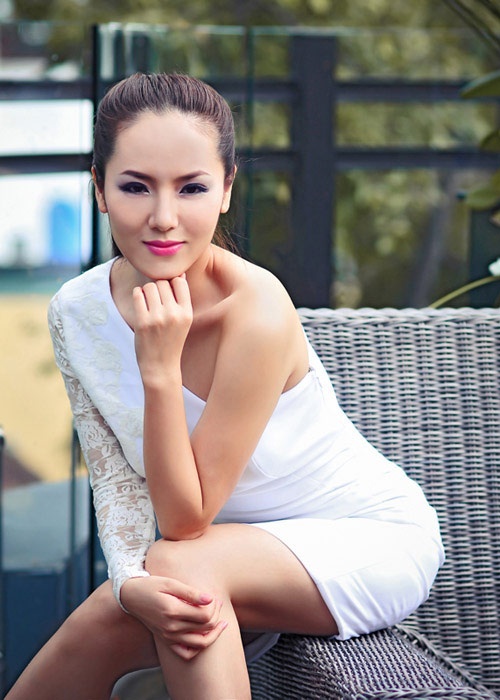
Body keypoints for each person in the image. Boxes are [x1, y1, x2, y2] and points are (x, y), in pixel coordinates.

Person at [6, 72, 444, 700]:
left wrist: (160, 369)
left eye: (192, 188)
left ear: (227, 189)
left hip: (359, 535)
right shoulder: (75, 312)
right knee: (118, 610)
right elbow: (116, 483)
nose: (163, 218)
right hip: (213, 558)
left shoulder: (256, 309)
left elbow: (185, 521)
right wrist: (128, 582)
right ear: (99, 188)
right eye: (135, 186)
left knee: (179, 567)